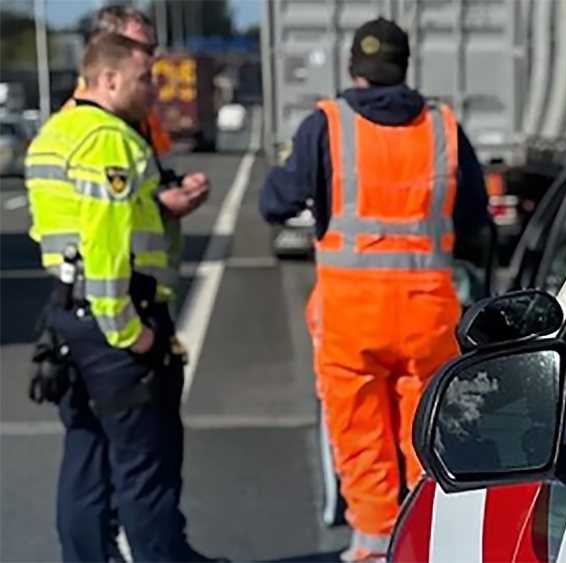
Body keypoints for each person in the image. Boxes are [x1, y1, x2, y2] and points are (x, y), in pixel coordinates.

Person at [259, 17, 494, 562]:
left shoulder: (328, 126)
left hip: (351, 315)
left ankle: (372, 544)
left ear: (352, 69)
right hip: (426, 314)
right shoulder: (442, 127)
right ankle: (427, 539)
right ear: (405, 66)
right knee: (427, 433)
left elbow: (275, 203)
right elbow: (476, 217)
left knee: (360, 437)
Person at [24, 33, 221, 563]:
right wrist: (131, 331)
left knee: (85, 457)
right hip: (115, 321)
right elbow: (105, 244)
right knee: (144, 468)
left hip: (67, 317)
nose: (153, 88)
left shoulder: (52, 135)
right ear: (108, 80)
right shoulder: (111, 140)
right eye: (144, 77)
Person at [63, 5, 209, 314]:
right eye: (141, 48)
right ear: (106, 50)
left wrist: (176, 186)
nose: (152, 58)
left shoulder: (134, 115)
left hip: (144, 285)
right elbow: (101, 209)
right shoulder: (86, 124)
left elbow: (142, 181)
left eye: (152, 49)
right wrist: (163, 204)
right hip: (113, 296)